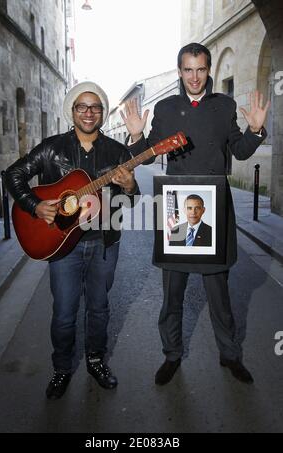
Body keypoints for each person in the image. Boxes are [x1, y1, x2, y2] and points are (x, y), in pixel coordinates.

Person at [121, 43, 270, 386]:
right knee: (172, 293)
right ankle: (171, 355)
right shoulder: (165, 108)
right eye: (188, 70)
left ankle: (229, 355)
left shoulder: (224, 105)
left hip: (213, 210)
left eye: (201, 69)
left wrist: (256, 131)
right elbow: (146, 156)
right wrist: (136, 136)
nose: (194, 76)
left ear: (208, 70)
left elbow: (241, 151)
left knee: (219, 294)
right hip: (175, 207)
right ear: (179, 72)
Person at [5, 81, 140, 400]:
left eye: (95, 107)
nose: (89, 112)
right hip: (61, 242)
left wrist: (131, 188)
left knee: (99, 308)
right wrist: (34, 205)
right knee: (64, 312)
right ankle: (62, 368)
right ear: (72, 111)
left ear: (103, 113)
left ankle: (95, 361)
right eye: (82, 106)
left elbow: (129, 203)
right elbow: (13, 174)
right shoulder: (52, 148)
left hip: (105, 241)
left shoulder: (118, 152)